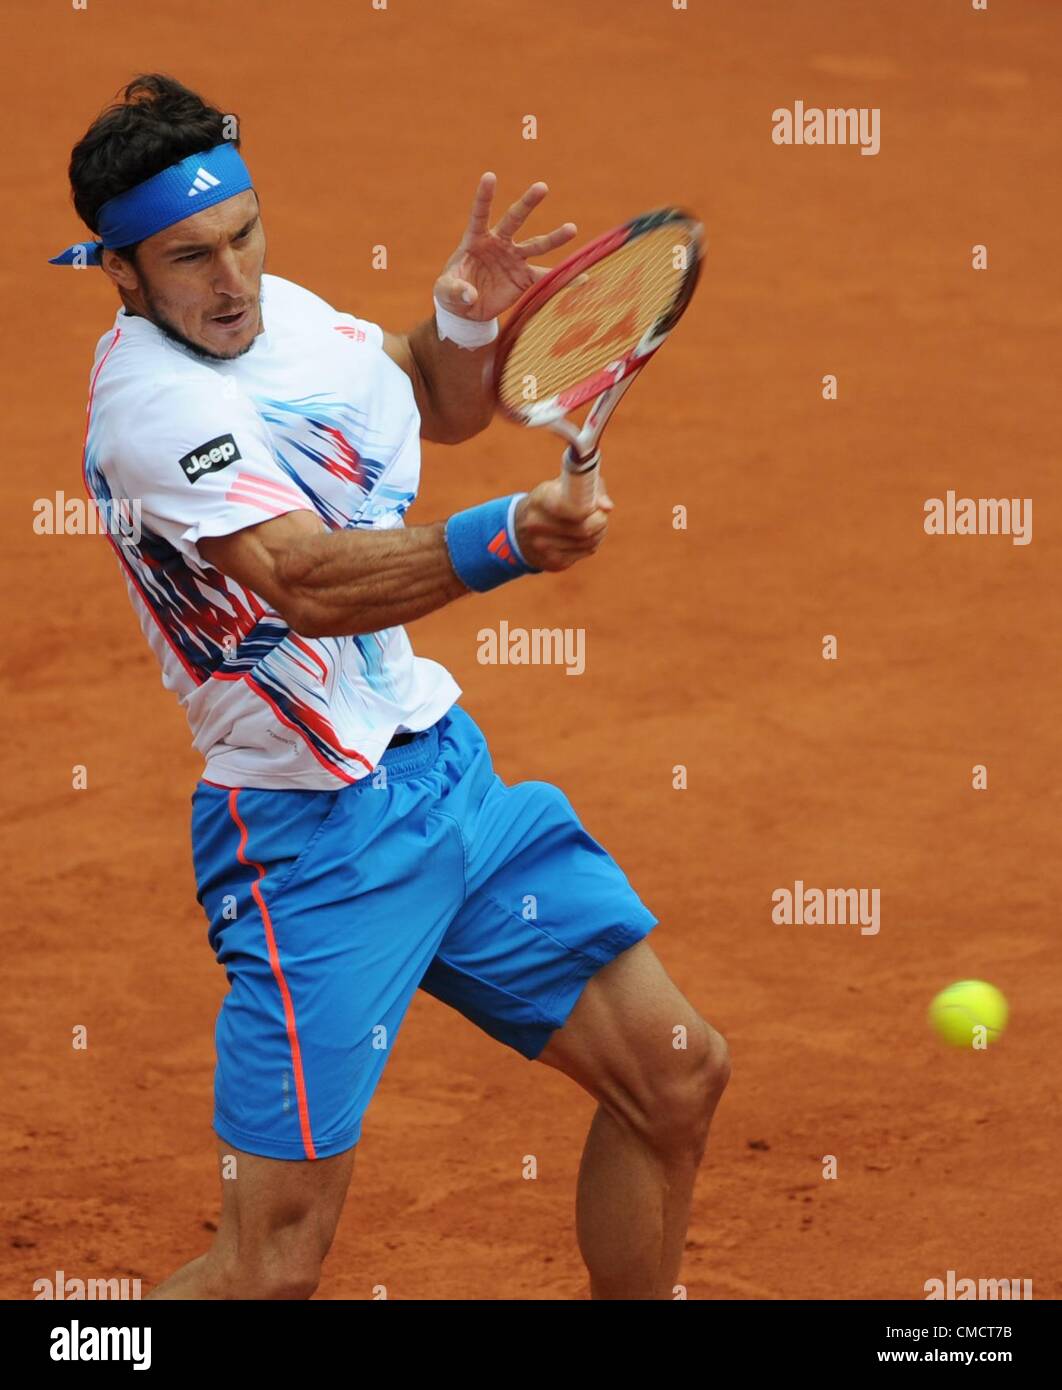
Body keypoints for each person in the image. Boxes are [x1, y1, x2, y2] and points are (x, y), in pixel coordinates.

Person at [52, 73, 730, 1300]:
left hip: (443, 778)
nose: (234, 279)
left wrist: (464, 327)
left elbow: (419, 392)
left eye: (246, 233)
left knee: (674, 1072)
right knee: (271, 1269)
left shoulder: (281, 316)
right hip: (311, 841)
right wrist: (510, 538)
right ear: (122, 271)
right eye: (190, 257)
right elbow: (303, 581)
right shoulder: (150, 406)